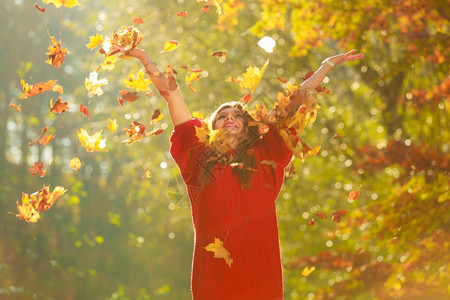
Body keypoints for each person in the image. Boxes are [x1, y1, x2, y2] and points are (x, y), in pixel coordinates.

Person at [121, 46, 364, 299]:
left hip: (261, 272)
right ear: (212, 126)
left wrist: (327, 64)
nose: (230, 118)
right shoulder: (198, 156)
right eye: (222, 115)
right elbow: (171, 93)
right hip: (213, 276)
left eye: (238, 115)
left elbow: (298, 98)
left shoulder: (268, 152)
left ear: (249, 126)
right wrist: (144, 58)